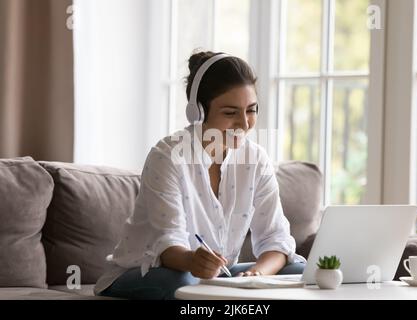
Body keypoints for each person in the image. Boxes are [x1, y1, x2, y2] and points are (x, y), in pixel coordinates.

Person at [94, 50, 306, 300]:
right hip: (149, 271)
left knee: (299, 272)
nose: (244, 123)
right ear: (197, 113)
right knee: (185, 283)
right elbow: (169, 243)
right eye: (230, 113)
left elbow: (276, 239)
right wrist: (192, 260)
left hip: (213, 275)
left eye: (251, 109)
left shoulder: (256, 159)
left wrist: (256, 276)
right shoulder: (168, 156)